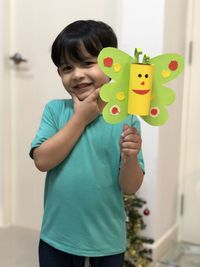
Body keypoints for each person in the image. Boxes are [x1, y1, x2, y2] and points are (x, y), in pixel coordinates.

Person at [30, 20, 145, 267]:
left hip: (106, 240)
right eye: (67, 67)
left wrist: (131, 157)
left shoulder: (126, 118)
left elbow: (130, 186)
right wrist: (80, 119)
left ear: (112, 66)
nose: (77, 74)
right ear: (59, 73)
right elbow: (42, 160)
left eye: (87, 63)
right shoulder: (55, 110)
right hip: (57, 237)